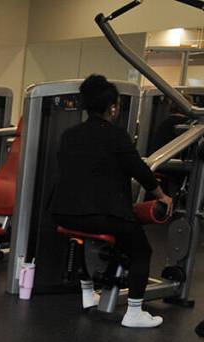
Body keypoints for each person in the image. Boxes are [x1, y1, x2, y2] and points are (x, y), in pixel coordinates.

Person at [51, 74, 173, 328]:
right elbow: (138, 169)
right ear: (113, 108)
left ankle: (88, 294)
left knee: (86, 238)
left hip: (63, 213)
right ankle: (135, 312)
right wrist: (161, 195)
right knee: (141, 249)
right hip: (100, 216)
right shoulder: (116, 135)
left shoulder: (69, 135)